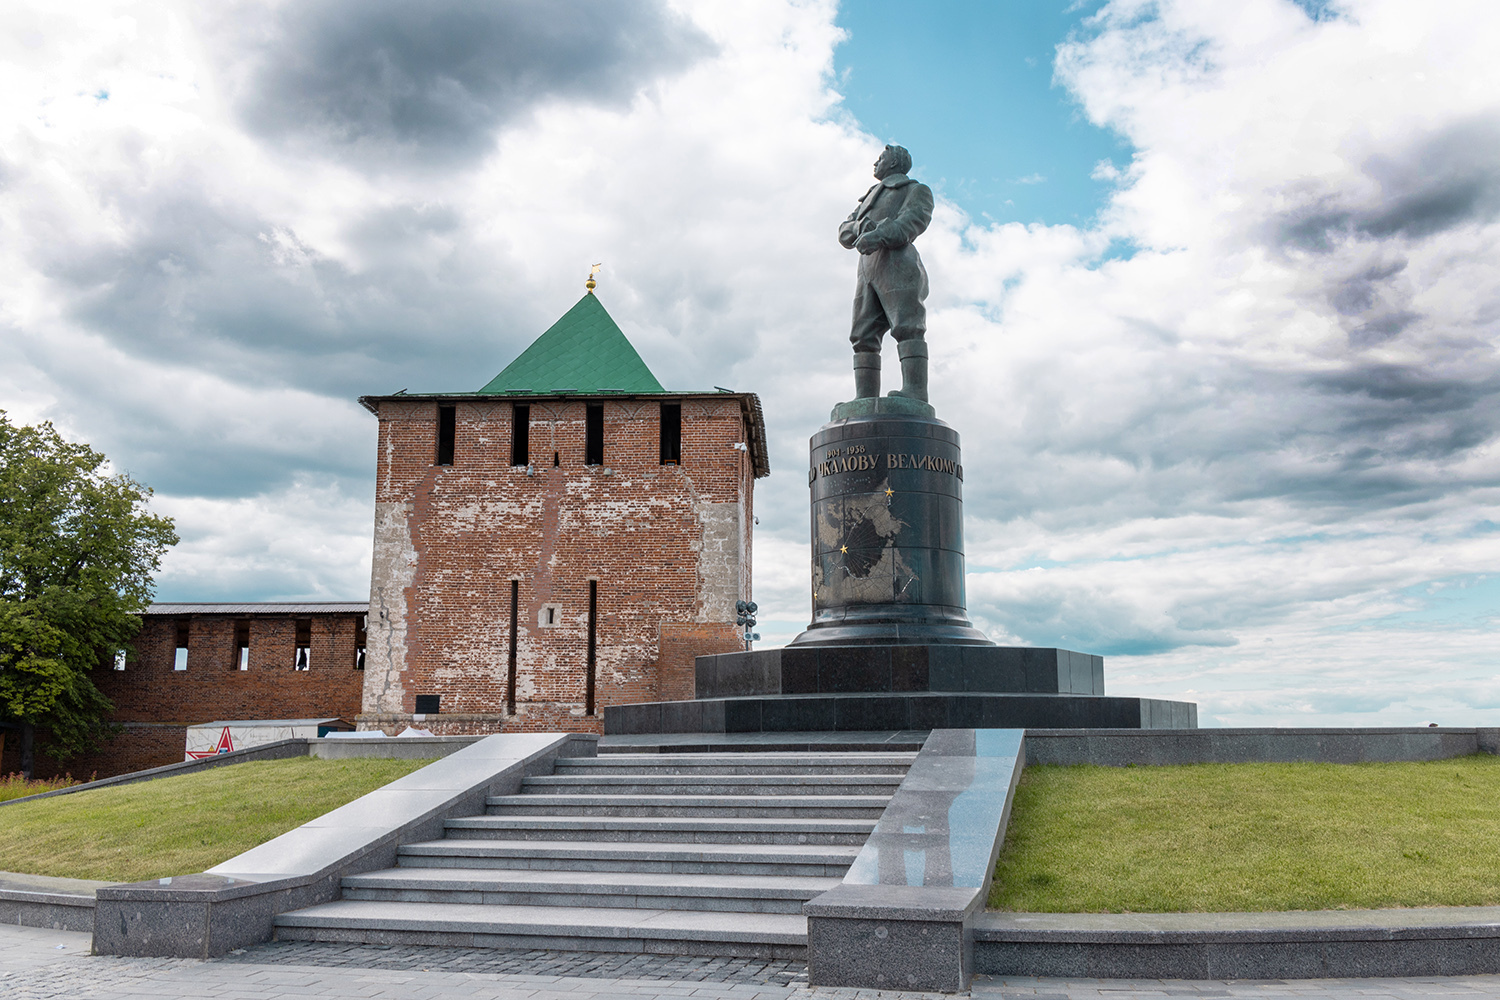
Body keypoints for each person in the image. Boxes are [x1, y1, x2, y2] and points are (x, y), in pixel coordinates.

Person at [838, 144, 934, 402]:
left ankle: (915, 392)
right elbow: (843, 231)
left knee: (908, 327)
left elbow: (912, 222)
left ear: (893, 163)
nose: (875, 163)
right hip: (867, 271)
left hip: (899, 264)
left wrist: (878, 234)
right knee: (862, 336)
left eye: (880, 158)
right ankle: (865, 399)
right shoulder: (869, 197)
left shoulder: (915, 190)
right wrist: (860, 227)